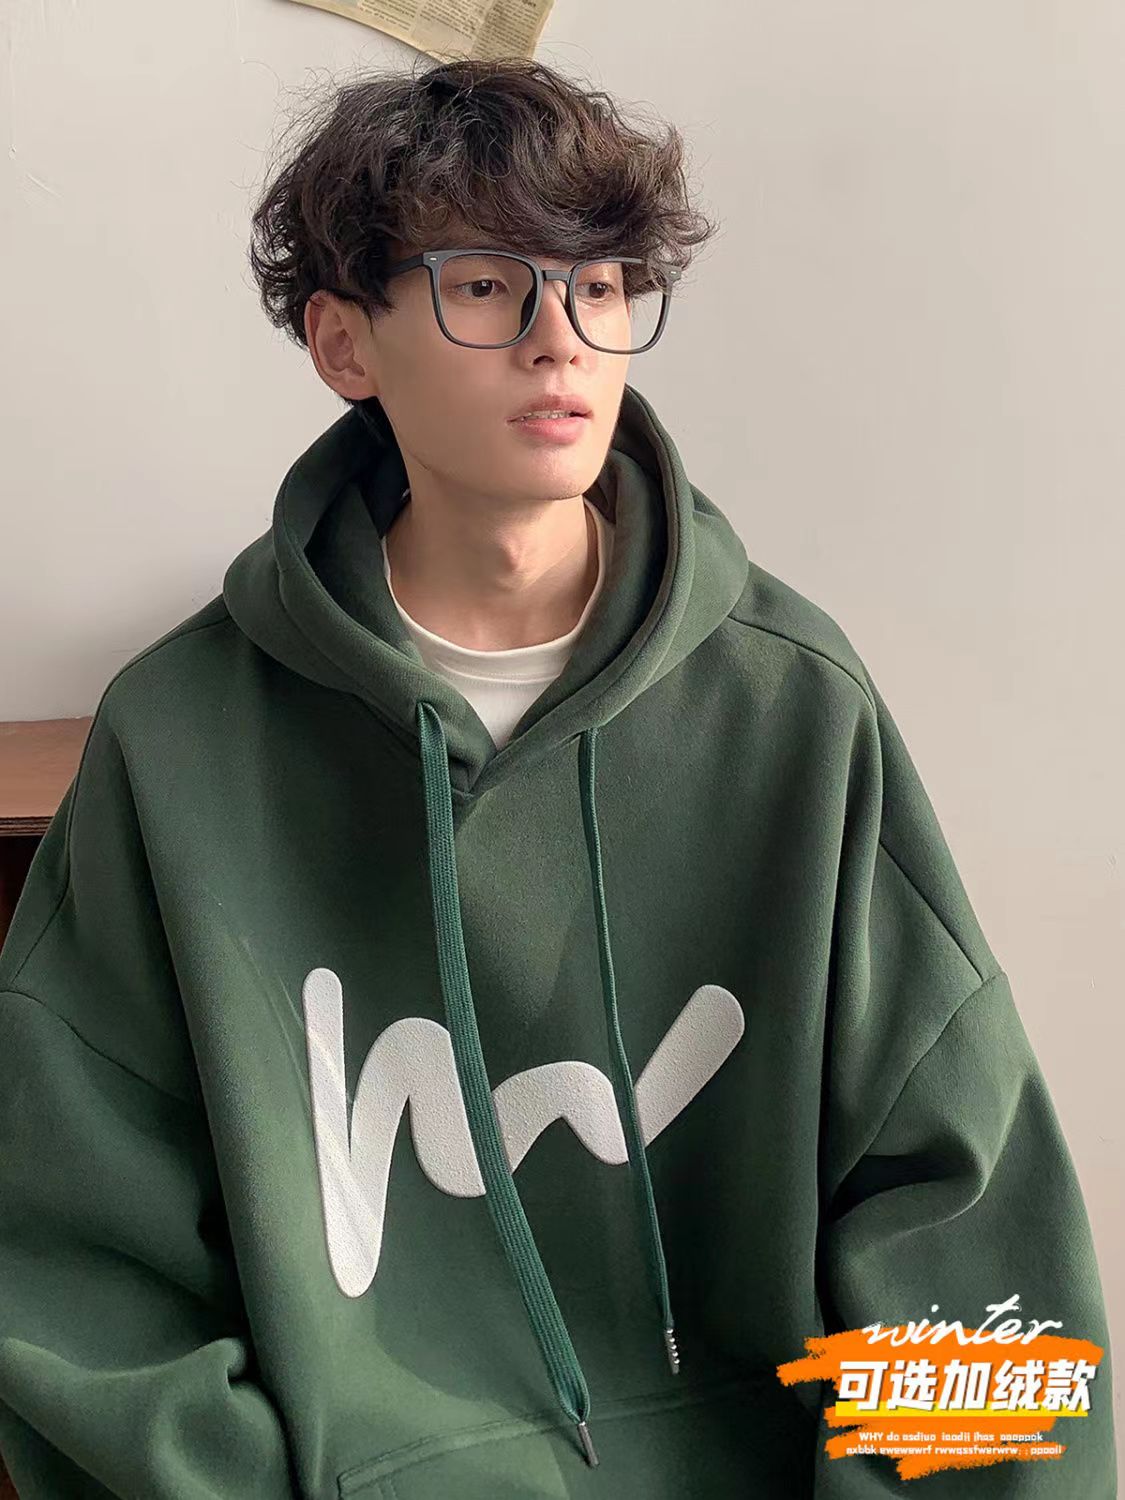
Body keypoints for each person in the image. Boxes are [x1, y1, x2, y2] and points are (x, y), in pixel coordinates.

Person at [0, 54, 1115, 1500]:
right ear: (344, 343)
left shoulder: (788, 708)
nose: (559, 341)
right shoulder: (181, 739)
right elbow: (65, 1260)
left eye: (598, 287)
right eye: (484, 286)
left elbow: (964, 1231)